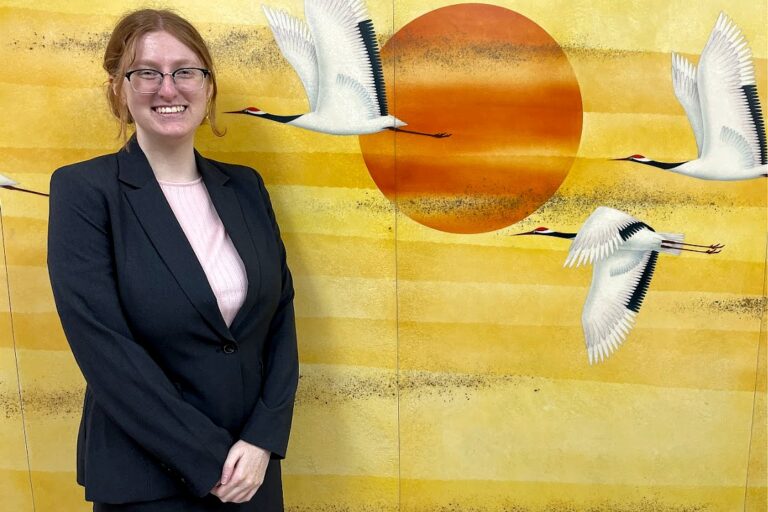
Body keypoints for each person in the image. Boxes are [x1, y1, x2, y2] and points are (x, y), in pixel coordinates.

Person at [46, 8, 298, 511]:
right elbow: (106, 353)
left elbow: (280, 319)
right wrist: (211, 460)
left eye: (186, 71)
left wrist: (262, 440)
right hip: (148, 477)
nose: (169, 88)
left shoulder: (245, 187)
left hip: (251, 472)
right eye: (147, 73)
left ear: (207, 86)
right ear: (119, 88)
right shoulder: (83, 191)